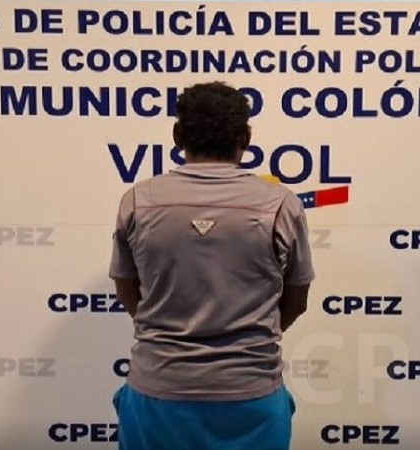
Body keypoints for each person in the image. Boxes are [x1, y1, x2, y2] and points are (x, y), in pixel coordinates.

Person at [109, 81, 315, 450]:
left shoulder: (138, 201)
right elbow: (296, 300)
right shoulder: (281, 205)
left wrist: (167, 332)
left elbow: (127, 289)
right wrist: (245, 342)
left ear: (177, 135)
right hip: (250, 394)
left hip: (158, 391)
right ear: (246, 138)